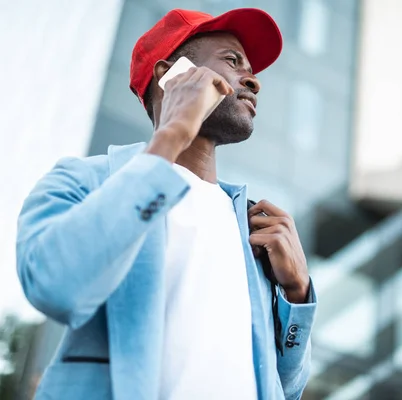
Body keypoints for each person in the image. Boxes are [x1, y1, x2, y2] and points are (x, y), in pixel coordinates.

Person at [16, 8, 316, 400]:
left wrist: (297, 292)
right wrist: (173, 132)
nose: (253, 80)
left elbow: (286, 389)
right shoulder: (87, 181)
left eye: (251, 68)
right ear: (169, 75)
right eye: (231, 60)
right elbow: (55, 286)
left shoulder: (253, 228)